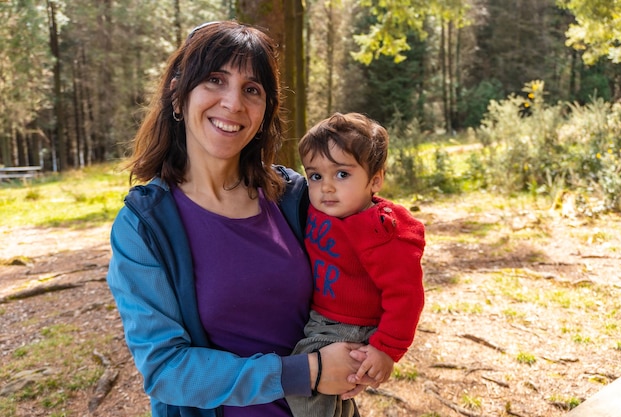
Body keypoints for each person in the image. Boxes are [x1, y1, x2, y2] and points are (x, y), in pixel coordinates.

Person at [106, 21, 375, 417]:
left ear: (265, 111)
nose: (233, 103)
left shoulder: (296, 197)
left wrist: (370, 348)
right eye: (215, 80)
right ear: (178, 96)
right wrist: (307, 372)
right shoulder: (145, 226)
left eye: (252, 89)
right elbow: (166, 370)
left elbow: (374, 256)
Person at [286, 112, 426, 417]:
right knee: (334, 395)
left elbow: (406, 294)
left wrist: (386, 349)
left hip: (348, 328)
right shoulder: (318, 209)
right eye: (315, 176)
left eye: (342, 174)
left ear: (375, 180)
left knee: (305, 387)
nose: (326, 188)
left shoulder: (381, 230)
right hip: (320, 318)